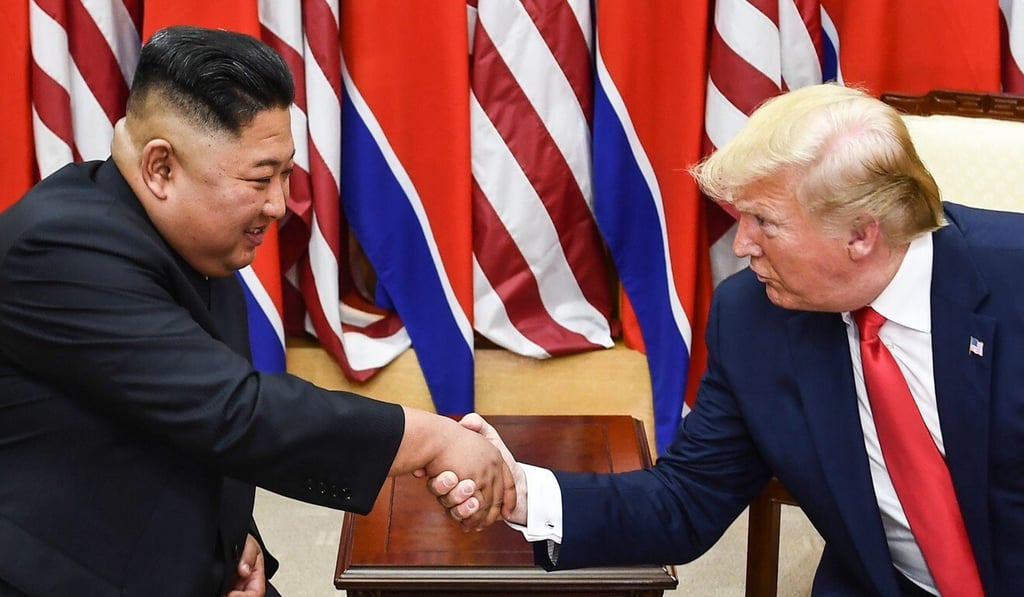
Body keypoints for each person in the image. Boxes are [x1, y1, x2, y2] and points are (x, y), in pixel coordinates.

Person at [433, 84, 1024, 596]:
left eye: (764, 221)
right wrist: (522, 493)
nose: (742, 246)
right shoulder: (754, 318)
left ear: (861, 234)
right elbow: (684, 500)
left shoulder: (1012, 281)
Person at [0, 26, 513, 597]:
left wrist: (232, 540)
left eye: (286, 175)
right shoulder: (60, 248)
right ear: (161, 168)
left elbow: (172, 416)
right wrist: (432, 438)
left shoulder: (195, 235)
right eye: (260, 178)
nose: (278, 204)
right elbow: (233, 411)